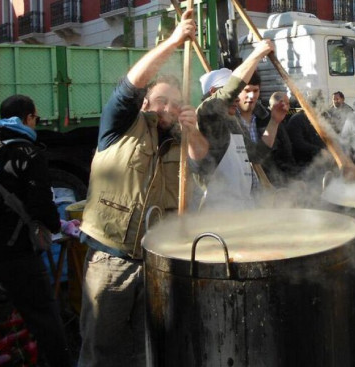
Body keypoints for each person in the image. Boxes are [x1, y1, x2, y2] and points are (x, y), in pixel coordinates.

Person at [77, 9, 208, 367]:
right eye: (161, 100)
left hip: (156, 263)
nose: (168, 108)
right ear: (147, 103)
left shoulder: (182, 141)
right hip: (111, 261)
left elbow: (204, 162)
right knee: (99, 351)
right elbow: (131, 84)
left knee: (144, 351)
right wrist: (174, 41)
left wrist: (192, 128)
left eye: (175, 102)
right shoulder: (120, 125)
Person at [0, 95, 70, 367]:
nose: (35, 123)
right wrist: (60, 227)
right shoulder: (29, 151)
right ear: (27, 118)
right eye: (35, 118)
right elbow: (41, 206)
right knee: (45, 316)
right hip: (15, 252)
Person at [194, 39, 289, 210]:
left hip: (242, 209)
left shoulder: (233, 122)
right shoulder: (206, 114)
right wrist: (257, 54)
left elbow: (257, 155)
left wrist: (274, 121)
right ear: (214, 92)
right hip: (217, 211)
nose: (238, 98)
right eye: (237, 92)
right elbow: (230, 91)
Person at [232, 71, 295, 187]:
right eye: (247, 91)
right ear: (236, 92)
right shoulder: (229, 121)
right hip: (238, 193)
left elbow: (285, 154)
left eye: (255, 91)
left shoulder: (267, 118)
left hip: (267, 192)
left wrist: (290, 183)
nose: (251, 96)